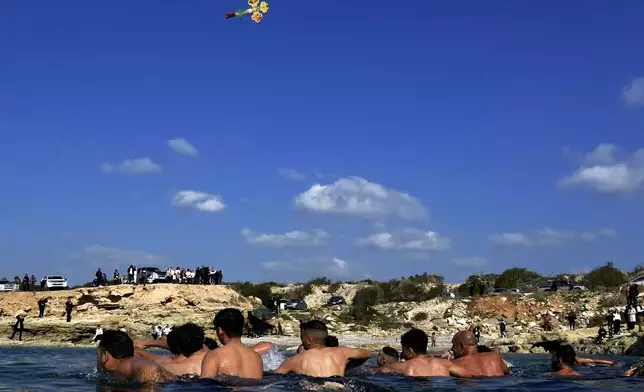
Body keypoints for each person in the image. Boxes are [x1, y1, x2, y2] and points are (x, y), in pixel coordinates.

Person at [274, 320, 371, 377]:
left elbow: (274, 377)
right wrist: (348, 366)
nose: (301, 340)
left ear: (309, 339)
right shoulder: (342, 352)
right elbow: (367, 353)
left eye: (301, 337)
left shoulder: (295, 360)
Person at [378, 329, 473, 377]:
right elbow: (472, 375)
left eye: (403, 350)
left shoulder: (401, 367)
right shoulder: (445, 364)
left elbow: (372, 371)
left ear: (410, 351)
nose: (402, 354)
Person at [200, 308, 263, 380]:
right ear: (242, 328)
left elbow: (205, 386)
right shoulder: (257, 357)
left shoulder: (214, 356)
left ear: (220, 330)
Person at [97, 330, 172, 383]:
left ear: (104, 356)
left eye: (97, 354)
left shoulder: (126, 364)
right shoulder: (114, 373)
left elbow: (149, 368)